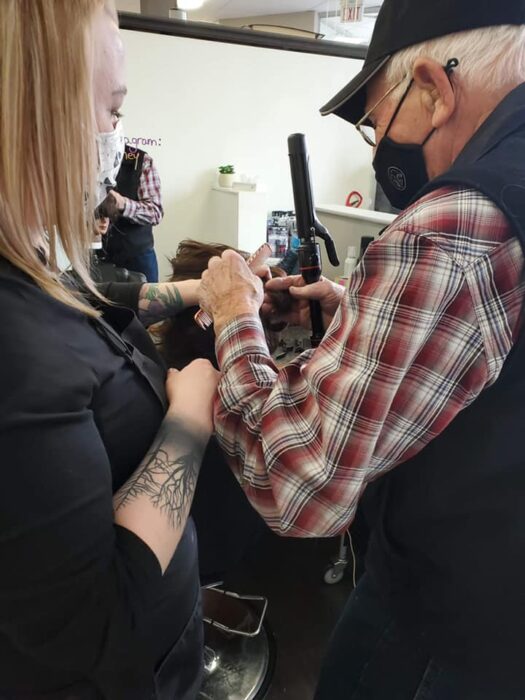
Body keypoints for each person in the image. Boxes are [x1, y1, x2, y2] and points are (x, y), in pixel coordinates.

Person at [191, 1, 525, 697]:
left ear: (433, 87)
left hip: (455, 622)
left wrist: (232, 316)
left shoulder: (461, 216)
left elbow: (300, 487)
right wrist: (361, 309)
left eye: (376, 122)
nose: (377, 151)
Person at [0, 2, 218, 698]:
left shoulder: (29, 264)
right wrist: (188, 422)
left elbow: (92, 296)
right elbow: (93, 625)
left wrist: (192, 291)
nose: (114, 135)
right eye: (111, 108)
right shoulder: (13, 349)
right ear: (37, 113)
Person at [104, 144, 163, 282]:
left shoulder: (141, 160)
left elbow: (155, 212)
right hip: (92, 256)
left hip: (137, 257)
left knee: (149, 301)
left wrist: (123, 204)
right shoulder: (81, 158)